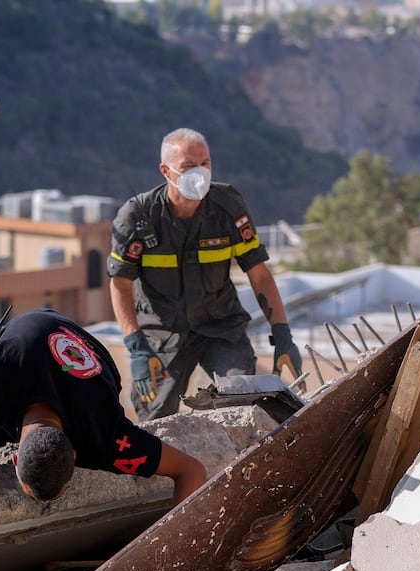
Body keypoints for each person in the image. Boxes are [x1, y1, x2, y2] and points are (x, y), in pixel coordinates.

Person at [0, 308, 206, 504]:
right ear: (14, 456)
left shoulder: (107, 436)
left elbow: (191, 471)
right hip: (24, 345)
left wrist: (170, 549)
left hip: (73, 352)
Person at [109, 127, 301, 419]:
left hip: (220, 326)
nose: (199, 172)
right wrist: (136, 347)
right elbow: (120, 283)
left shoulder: (228, 208)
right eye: (188, 166)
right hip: (163, 333)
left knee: (242, 402)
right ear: (165, 170)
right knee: (157, 417)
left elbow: (259, 274)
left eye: (205, 164)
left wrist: (282, 334)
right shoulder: (138, 217)